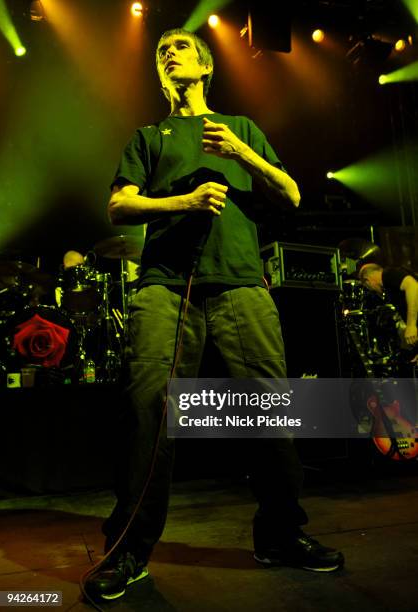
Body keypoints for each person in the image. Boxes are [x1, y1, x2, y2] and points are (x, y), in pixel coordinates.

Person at [84, 28, 344, 602]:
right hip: (164, 289)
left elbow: (293, 195)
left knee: (268, 411)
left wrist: (242, 154)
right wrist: (185, 200)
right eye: (161, 52)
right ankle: (128, 549)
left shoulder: (240, 129)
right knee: (147, 413)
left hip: (242, 285)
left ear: (204, 65)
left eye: (179, 47)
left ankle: (280, 535)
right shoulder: (149, 137)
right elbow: (119, 204)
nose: (168, 54)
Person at [358, 263, 418, 353]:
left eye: (368, 287)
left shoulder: (388, 274)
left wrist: (411, 325)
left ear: (367, 281)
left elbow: (413, 285)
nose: (372, 290)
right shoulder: (389, 284)